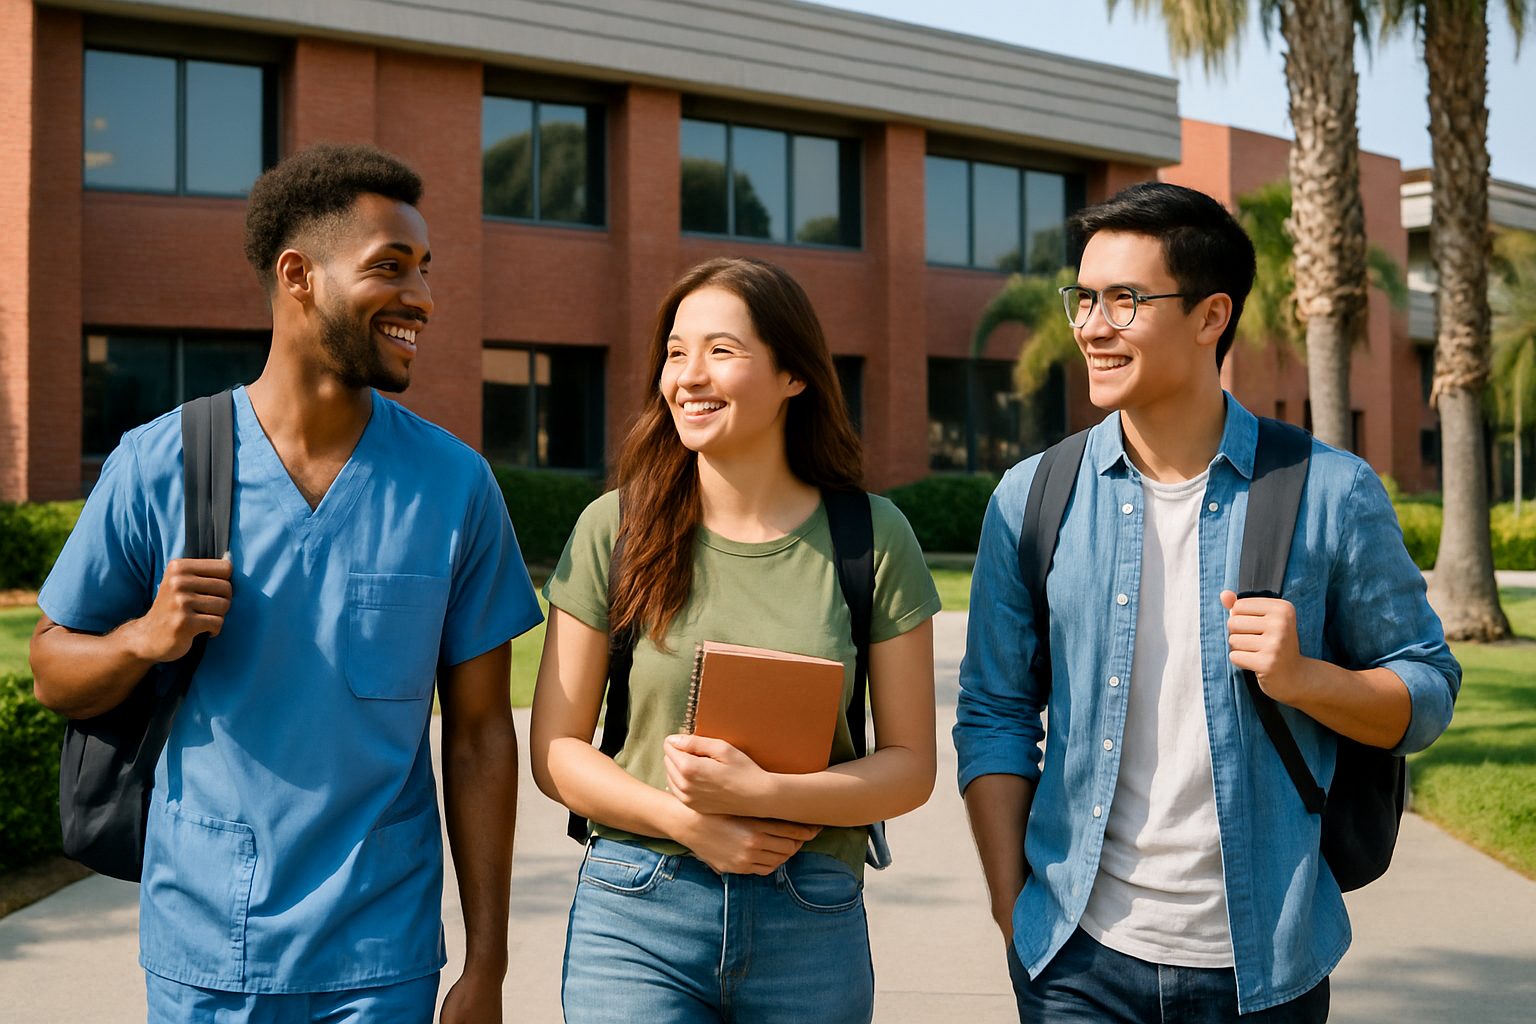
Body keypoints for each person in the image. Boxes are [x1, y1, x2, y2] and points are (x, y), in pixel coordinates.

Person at [31, 143, 542, 1024]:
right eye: (391, 267)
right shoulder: (163, 464)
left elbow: (480, 736)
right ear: (298, 275)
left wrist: (487, 963)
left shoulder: (454, 485)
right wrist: (142, 639)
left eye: (425, 269)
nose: (422, 296)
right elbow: (52, 670)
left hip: (380, 954)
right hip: (206, 945)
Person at [954, 182, 1460, 1023]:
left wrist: (1306, 680)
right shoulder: (1032, 497)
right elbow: (995, 711)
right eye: (1084, 298)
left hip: (1263, 967)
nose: (1091, 326)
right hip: (1075, 960)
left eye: (1125, 300)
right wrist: (1015, 910)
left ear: (1210, 315)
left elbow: (1429, 690)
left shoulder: (1329, 492)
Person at [530, 256, 941, 1023]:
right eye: (675, 352)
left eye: (721, 350)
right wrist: (690, 823)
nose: (689, 375)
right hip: (637, 911)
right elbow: (556, 751)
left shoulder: (872, 538)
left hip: (810, 917)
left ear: (794, 376)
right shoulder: (614, 528)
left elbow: (911, 767)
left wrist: (766, 797)